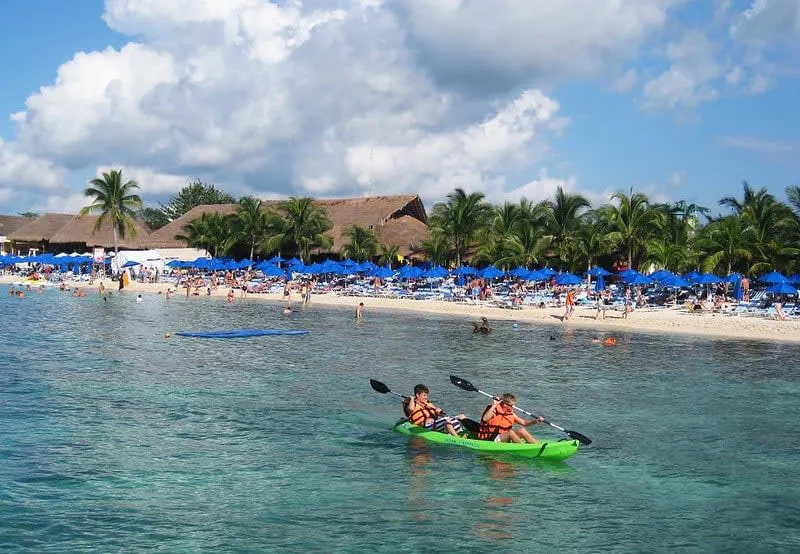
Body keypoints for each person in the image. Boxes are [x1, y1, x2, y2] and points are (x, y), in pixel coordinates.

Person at [476, 393, 544, 443]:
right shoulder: (494, 411)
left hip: (504, 437)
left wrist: (535, 421)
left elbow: (524, 423)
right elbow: (485, 419)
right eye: (512, 405)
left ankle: (537, 445)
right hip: (491, 438)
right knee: (510, 432)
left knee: (522, 430)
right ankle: (521, 448)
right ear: (505, 405)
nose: (514, 406)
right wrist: (495, 405)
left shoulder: (511, 414)